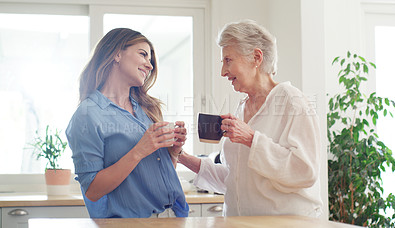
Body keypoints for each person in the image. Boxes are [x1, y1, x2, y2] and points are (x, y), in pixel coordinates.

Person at [178, 20, 323, 217]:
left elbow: (305, 172)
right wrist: (181, 156)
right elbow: (235, 180)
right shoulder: (241, 108)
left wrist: (251, 139)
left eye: (228, 60)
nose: (223, 72)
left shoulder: (292, 101)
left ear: (256, 57)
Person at [66, 28, 189, 218]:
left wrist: (172, 153)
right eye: (143, 55)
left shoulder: (148, 108)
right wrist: (140, 150)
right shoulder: (88, 115)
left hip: (174, 217)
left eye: (151, 61)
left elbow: (155, 176)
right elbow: (92, 190)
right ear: (116, 53)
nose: (149, 65)